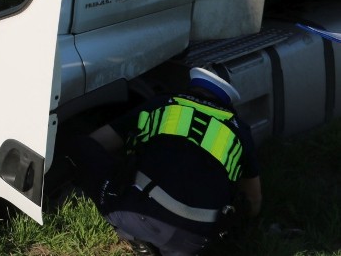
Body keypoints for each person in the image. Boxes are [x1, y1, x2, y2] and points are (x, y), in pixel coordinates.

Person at [66, 67, 262, 256]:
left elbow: (99, 141)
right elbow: (254, 202)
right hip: (194, 239)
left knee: (80, 146)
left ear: (191, 87)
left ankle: (135, 236)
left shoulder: (164, 104)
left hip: (137, 215)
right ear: (227, 102)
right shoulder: (241, 132)